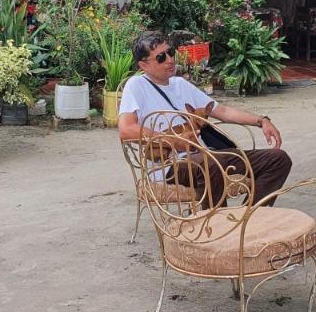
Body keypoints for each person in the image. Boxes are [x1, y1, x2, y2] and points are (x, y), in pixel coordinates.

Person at [118, 32, 292, 205]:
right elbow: (126, 130)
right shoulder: (137, 85)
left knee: (278, 159)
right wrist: (174, 141)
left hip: (206, 154)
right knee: (211, 165)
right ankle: (218, 226)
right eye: (161, 57)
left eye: (171, 52)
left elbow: (222, 111)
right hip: (170, 166)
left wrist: (262, 120)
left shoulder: (180, 84)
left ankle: (250, 217)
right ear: (144, 65)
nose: (170, 60)